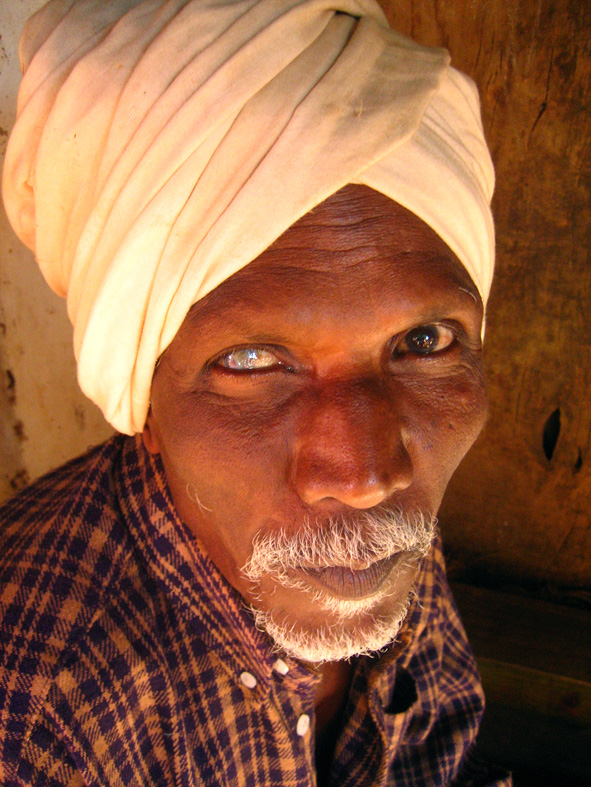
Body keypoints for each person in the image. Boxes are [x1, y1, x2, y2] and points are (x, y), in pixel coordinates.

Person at [0, 0, 509, 784]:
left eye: (423, 342)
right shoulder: (33, 723)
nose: (367, 473)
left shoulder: (363, 530)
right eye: (250, 360)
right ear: (145, 403)